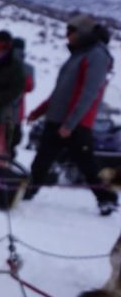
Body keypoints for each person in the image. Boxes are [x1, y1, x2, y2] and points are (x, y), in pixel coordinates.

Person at [24, 14, 117, 215]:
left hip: (76, 122)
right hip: (57, 119)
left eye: (71, 32)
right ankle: (28, 191)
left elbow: (89, 93)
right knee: (42, 159)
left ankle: (107, 199)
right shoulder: (79, 54)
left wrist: (70, 124)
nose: (67, 36)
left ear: (82, 32)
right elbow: (61, 91)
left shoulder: (96, 55)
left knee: (87, 164)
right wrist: (39, 112)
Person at [8, 37, 35, 155]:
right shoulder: (28, 68)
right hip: (17, 113)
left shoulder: (1, 64)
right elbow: (29, 87)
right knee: (12, 142)